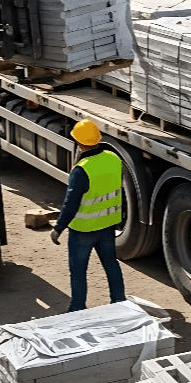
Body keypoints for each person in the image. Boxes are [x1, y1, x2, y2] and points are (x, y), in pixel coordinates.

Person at [50, 119, 126, 312]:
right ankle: (119, 301)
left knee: (78, 271)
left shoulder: (81, 170)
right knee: (111, 264)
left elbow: (70, 205)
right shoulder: (113, 158)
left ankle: (77, 308)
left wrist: (58, 228)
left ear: (78, 142)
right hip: (107, 226)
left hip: (83, 231)